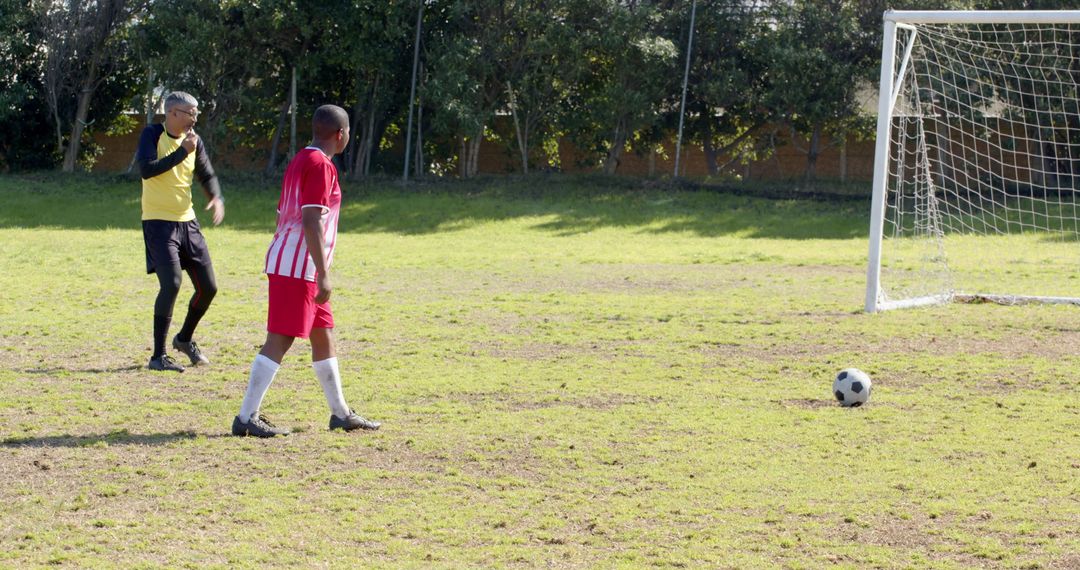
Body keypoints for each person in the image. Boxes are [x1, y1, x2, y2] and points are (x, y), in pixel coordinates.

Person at [232, 104, 380, 437]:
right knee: (280, 339)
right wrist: (323, 271)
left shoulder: (300, 159)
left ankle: (341, 413)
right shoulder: (322, 165)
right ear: (340, 135)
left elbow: (281, 213)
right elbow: (312, 219)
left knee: (323, 336)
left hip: (296, 264)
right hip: (299, 268)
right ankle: (245, 418)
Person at [136, 91, 224, 373]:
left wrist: (215, 196)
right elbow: (147, 170)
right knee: (171, 284)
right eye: (191, 113)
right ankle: (158, 356)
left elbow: (206, 174)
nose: (195, 118)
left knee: (208, 288)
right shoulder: (152, 134)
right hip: (158, 223)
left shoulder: (195, 142)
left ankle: (184, 339)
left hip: (188, 223)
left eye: (197, 113)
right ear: (173, 113)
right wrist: (181, 152)